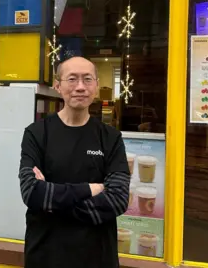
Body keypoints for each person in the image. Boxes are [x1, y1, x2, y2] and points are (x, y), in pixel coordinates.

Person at [18, 56, 130, 268]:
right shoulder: (37, 134)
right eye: (72, 79)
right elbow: (31, 193)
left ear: (96, 86)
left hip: (97, 256)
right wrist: (91, 188)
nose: (80, 87)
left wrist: (52, 204)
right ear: (58, 86)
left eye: (87, 79)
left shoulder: (110, 138)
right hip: (45, 255)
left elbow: (118, 199)